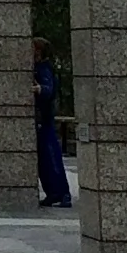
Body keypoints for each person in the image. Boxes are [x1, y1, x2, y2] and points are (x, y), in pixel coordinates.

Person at [33, 37, 73, 208]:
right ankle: (52, 193)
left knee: (52, 156)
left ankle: (62, 193)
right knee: (43, 159)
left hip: (44, 118)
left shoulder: (44, 68)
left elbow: (49, 89)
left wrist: (39, 89)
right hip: (39, 118)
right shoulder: (37, 68)